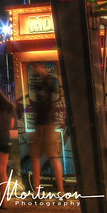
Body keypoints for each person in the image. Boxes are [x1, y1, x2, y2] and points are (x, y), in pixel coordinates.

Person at [29, 62, 64, 195]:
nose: (35, 71)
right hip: (43, 123)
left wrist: (43, 74)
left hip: (47, 124)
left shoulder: (48, 81)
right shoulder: (42, 83)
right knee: (40, 157)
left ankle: (60, 191)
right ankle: (39, 191)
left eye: (36, 67)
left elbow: (53, 89)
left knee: (51, 157)